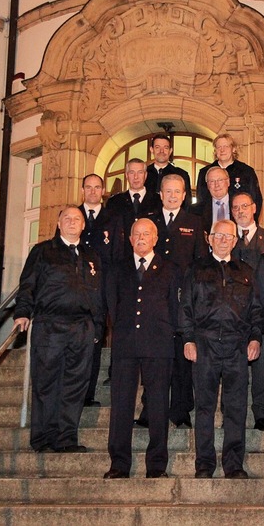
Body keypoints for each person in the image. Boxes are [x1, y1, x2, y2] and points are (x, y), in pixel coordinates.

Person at [13, 206, 104, 453]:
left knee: (75, 386)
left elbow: (98, 294)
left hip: (82, 329)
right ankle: (43, 438)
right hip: (49, 325)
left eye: (77, 219)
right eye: (67, 218)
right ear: (59, 222)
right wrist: (22, 312)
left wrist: (98, 327)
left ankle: (66, 439)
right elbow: (28, 284)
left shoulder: (92, 255)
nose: (72, 222)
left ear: (84, 225)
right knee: (45, 383)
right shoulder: (43, 251)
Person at [180, 219, 262, 480]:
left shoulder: (247, 272)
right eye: (218, 235)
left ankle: (233, 465)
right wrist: (188, 339)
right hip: (205, 345)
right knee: (204, 407)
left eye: (229, 236)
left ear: (235, 241)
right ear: (209, 238)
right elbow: (185, 308)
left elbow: (256, 311)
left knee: (236, 407)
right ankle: (204, 464)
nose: (224, 240)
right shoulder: (195, 269)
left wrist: (255, 339)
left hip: (237, 347)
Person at [104, 218, 181, 479]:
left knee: (158, 405)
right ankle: (119, 464)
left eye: (146, 234)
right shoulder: (117, 269)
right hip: (125, 344)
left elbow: (174, 307)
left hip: (159, 344)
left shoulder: (170, 269)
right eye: (136, 233)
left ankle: (157, 465)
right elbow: (113, 306)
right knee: (121, 405)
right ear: (129, 238)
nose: (141, 238)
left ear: (155, 238)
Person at [144, 173, 207, 429]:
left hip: (183, 300)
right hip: (153, 299)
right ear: (160, 194)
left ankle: (181, 410)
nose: (172, 195)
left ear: (185, 195)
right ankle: (149, 410)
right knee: (153, 356)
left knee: (183, 357)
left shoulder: (194, 222)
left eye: (177, 191)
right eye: (167, 191)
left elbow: (200, 263)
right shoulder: (148, 221)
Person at [230, 192, 264, 431]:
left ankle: (262, 412)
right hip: (234, 313)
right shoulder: (225, 238)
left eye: (244, 206)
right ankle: (232, 414)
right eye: (235, 207)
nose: (240, 211)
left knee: (262, 365)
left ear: (254, 208)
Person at [78, 173, 122, 407]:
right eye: (89, 187)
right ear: (82, 189)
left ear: (103, 190)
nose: (93, 191)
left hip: (103, 287)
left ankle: (88, 393)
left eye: (97, 187)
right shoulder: (72, 216)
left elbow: (117, 255)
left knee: (97, 336)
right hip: (76, 288)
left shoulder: (112, 218)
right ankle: (74, 390)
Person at [196, 134, 263, 219]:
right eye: (219, 147)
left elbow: (255, 199)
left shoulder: (246, 172)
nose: (222, 150)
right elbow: (201, 200)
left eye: (226, 146)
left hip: (238, 222)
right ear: (215, 150)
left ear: (233, 149)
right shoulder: (205, 172)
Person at [105, 158, 162, 258]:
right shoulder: (114, 202)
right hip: (122, 259)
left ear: (145, 175)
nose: (136, 177)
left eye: (140, 172)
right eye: (132, 172)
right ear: (127, 175)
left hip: (150, 258)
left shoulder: (158, 201)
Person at [144, 134, 192, 209]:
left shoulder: (181, 174)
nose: (161, 151)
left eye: (165, 148)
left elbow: (187, 203)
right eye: (157, 147)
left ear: (170, 151)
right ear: (151, 150)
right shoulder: (143, 173)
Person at [191, 166, 231, 238]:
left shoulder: (239, 206)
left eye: (220, 180)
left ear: (228, 182)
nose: (217, 185)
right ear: (208, 185)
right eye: (212, 181)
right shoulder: (195, 210)